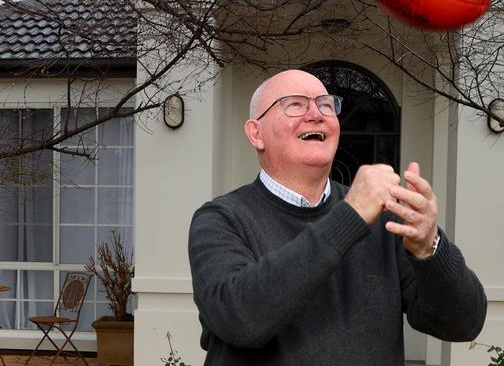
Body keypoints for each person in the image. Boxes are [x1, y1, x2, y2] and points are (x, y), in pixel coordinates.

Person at [188, 69, 486, 366]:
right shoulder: (221, 220)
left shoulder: (386, 219)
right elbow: (240, 319)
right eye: (295, 104)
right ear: (256, 133)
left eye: (326, 104)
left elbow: (463, 323)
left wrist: (430, 248)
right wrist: (351, 216)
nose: (315, 114)